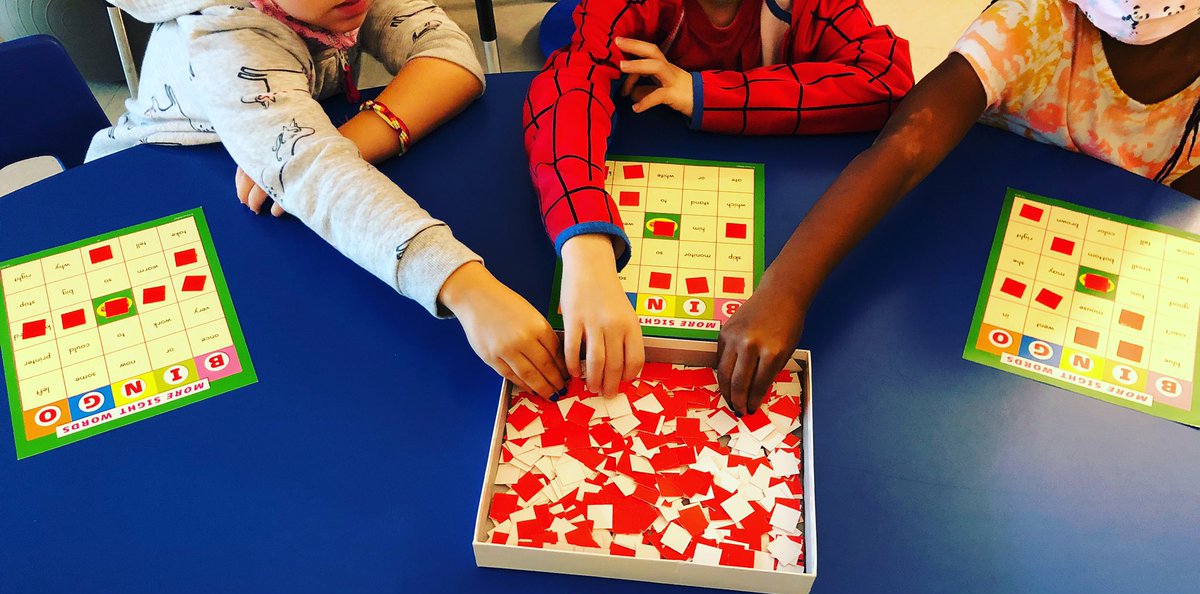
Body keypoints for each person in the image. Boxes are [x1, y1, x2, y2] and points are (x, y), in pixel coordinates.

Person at [716, 0, 1200, 414]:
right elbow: (907, 145)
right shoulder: (1034, 19)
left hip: (1106, 293)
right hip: (965, 259)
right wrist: (784, 290)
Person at [88, 0, 569, 400]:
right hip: (160, 191)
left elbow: (450, 56)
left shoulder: (338, 3)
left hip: (283, 174)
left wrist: (334, 147)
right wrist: (467, 288)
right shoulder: (226, 38)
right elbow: (320, 178)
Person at [523, 0, 914, 397]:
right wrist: (586, 250)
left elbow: (887, 79)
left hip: (780, 192)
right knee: (566, 33)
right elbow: (570, 85)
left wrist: (703, 90)